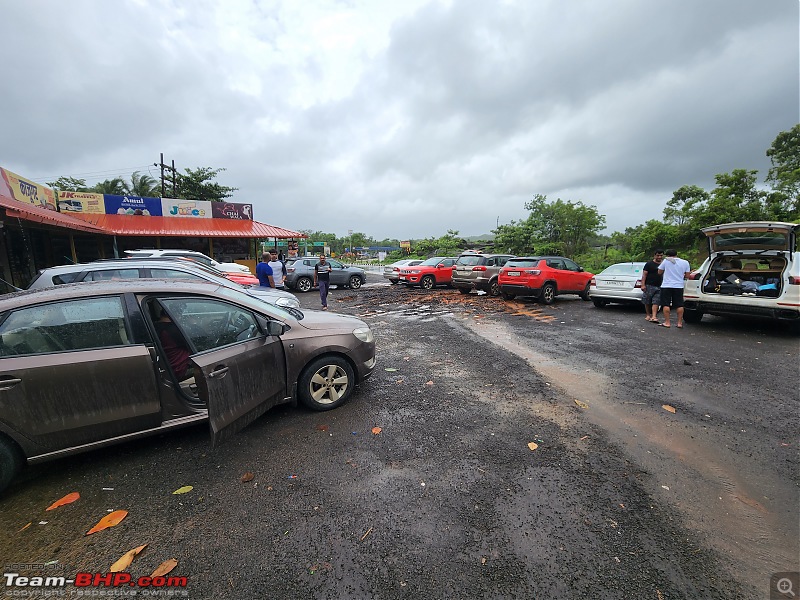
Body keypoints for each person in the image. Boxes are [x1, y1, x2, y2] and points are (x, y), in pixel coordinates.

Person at [656, 249, 691, 328]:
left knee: (666, 304)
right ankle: (679, 323)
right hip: (679, 285)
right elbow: (687, 276)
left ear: (667, 255)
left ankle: (667, 322)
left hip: (666, 285)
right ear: (676, 254)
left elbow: (659, 272)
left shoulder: (666, 261)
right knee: (679, 304)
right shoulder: (685, 262)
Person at [155, 310, 191, 380]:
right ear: (176, 315)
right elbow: (195, 344)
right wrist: (193, 323)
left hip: (166, 369)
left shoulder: (154, 327)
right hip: (180, 370)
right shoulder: (173, 330)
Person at [641, 250, 664, 323]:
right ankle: (648, 315)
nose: (659, 257)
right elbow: (644, 274)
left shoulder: (664, 264)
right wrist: (643, 284)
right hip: (649, 285)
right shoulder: (649, 264)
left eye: (661, 255)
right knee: (647, 301)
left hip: (660, 285)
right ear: (654, 255)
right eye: (658, 255)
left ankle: (654, 316)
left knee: (656, 301)